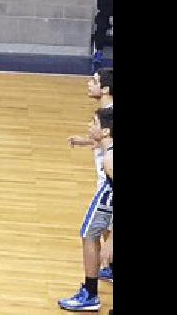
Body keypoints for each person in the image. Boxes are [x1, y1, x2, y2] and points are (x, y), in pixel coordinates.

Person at [58, 106, 113, 312]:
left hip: (108, 200)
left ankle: (90, 294)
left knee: (89, 235)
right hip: (108, 197)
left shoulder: (110, 160)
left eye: (94, 123)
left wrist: (112, 240)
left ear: (106, 131)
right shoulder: (108, 149)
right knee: (88, 234)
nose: (90, 126)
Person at [68, 68, 113, 282]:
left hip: (109, 181)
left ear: (105, 89)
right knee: (104, 225)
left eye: (94, 81)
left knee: (94, 230)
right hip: (105, 177)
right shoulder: (106, 113)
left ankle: (90, 290)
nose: (88, 83)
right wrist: (85, 141)